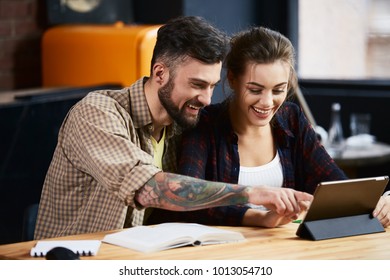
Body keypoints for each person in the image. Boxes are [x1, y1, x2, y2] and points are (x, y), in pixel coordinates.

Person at [34, 17, 313, 240]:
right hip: (72, 263)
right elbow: (149, 187)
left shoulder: (182, 125)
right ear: (159, 73)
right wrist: (253, 193)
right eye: (197, 85)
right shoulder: (97, 114)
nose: (206, 99)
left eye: (212, 86)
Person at [147, 26, 390, 228]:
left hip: (282, 250)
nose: (267, 102)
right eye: (255, 90)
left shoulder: (291, 118)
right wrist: (260, 218)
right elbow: (189, 202)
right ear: (232, 79)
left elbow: (333, 182)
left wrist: (377, 203)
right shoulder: (205, 123)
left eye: (278, 90)